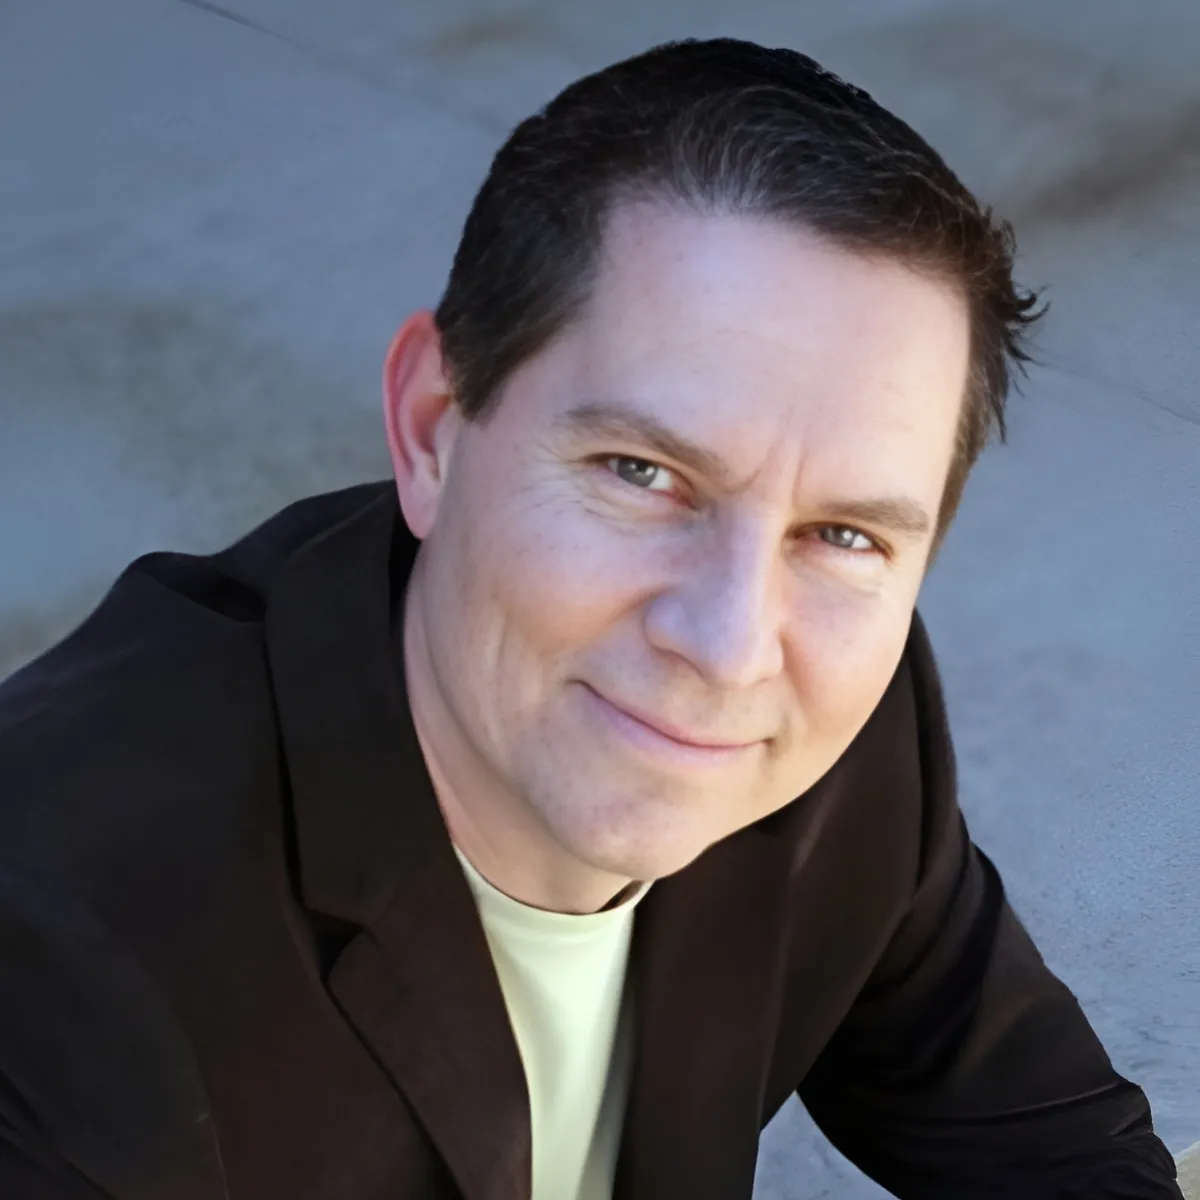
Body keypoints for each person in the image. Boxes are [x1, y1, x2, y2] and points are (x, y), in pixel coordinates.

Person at [0, 36, 1184, 1200]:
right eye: (640, 472)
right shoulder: (63, 960)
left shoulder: (831, 722)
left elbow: (1056, 1158)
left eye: (844, 535)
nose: (729, 644)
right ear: (432, 425)